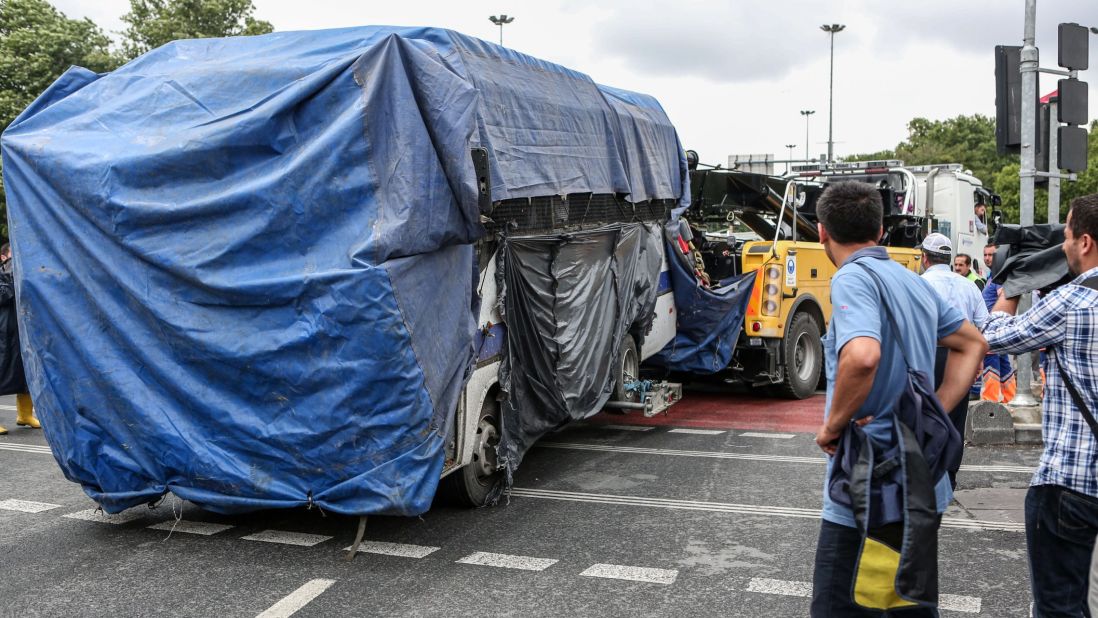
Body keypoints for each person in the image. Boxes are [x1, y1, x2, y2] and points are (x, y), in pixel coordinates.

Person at [810, 182, 987, 616]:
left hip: (866, 481)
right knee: (904, 603)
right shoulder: (913, 281)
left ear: (821, 233)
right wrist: (935, 410)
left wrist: (833, 426)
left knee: (839, 607)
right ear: (882, 229)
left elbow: (863, 355)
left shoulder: (851, 277)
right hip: (922, 478)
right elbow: (973, 345)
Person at [982, 194, 1098, 617]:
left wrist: (1013, 281)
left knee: (1060, 607)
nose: (1063, 243)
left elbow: (992, 334)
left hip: (1071, 481)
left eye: (1066, 233)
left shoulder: (1070, 305)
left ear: (1085, 242)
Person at [918, 233, 988, 488]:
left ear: (925, 258)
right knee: (955, 418)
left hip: (927, 354)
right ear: (948, 259)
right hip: (962, 355)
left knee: (925, 412)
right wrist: (976, 357)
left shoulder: (920, 283)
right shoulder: (968, 285)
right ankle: (949, 476)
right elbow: (983, 323)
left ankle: (926, 473)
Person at [979, 244, 1016, 403]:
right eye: (985, 254)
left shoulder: (998, 276)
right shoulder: (992, 276)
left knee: (991, 361)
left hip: (993, 328)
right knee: (1003, 362)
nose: (987, 258)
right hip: (995, 327)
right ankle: (1010, 396)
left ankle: (990, 399)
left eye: (991, 255)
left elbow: (1004, 295)